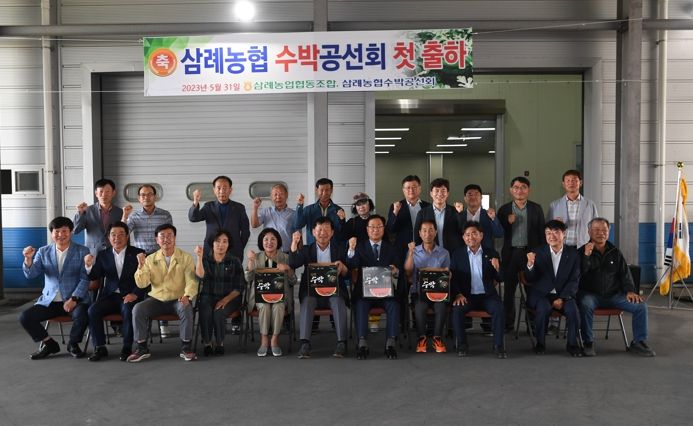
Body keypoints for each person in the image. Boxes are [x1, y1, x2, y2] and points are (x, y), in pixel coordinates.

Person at [578, 218, 655, 357]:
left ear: (609, 231)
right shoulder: (581, 251)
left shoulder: (615, 252)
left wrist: (630, 291)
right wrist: (586, 257)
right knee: (585, 304)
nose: (601, 233)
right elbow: (579, 274)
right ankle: (588, 342)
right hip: (590, 295)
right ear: (589, 232)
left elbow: (625, 275)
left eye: (604, 230)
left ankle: (639, 342)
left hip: (614, 295)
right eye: (596, 230)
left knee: (640, 306)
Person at [19, 216, 91, 360]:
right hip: (50, 301)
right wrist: (28, 259)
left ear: (71, 232)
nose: (60, 235)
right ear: (52, 233)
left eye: (64, 231)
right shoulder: (43, 251)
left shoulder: (82, 251)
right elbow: (31, 274)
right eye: (56, 231)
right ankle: (49, 344)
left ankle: (73, 344)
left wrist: (74, 299)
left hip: (74, 300)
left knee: (83, 315)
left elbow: (85, 278)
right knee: (25, 317)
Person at [128, 224, 199, 362]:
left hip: (178, 298)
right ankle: (141, 347)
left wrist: (187, 296)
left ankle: (186, 347)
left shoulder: (186, 257)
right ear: (157, 240)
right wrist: (141, 266)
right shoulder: (150, 259)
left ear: (175, 238)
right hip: (157, 300)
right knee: (138, 309)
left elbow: (192, 280)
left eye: (169, 236)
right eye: (162, 236)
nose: (166, 239)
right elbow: (142, 284)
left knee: (186, 307)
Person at [84, 221, 145, 361]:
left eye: (121, 234)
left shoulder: (138, 253)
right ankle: (100, 347)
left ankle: (127, 347)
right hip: (110, 295)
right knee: (93, 310)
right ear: (108, 237)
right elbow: (95, 276)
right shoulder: (103, 254)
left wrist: (135, 294)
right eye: (113, 235)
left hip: (130, 294)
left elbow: (145, 279)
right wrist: (88, 266)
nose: (117, 238)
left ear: (127, 236)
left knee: (128, 310)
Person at [289, 217, 349, 359]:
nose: (323, 233)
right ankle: (305, 343)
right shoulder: (306, 250)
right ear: (313, 232)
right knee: (307, 301)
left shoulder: (340, 249)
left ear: (332, 232)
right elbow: (294, 263)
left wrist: (343, 267)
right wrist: (294, 243)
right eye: (319, 230)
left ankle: (342, 342)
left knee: (338, 301)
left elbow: (347, 273)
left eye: (327, 229)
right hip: (312, 292)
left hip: (334, 291)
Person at [524, 220, 582, 356]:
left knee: (573, 311)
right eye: (548, 233)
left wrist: (562, 298)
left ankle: (572, 345)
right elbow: (530, 279)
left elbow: (574, 280)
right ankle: (540, 343)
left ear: (564, 234)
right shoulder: (537, 252)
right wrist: (530, 264)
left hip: (564, 294)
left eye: (556, 232)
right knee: (543, 308)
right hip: (541, 294)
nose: (551, 236)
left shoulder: (573, 254)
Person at [346, 215, 401, 360]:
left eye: (379, 227)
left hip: (385, 293)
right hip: (365, 293)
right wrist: (351, 249)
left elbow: (398, 270)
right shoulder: (359, 247)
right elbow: (352, 265)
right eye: (372, 227)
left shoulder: (391, 248)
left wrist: (396, 271)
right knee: (360, 305)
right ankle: (362, 342)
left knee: (394, 305)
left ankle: (390, 342)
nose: (375, 230)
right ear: (367, 229)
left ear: (383, 229)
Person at [450, 221, 507, 358]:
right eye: (467, 234)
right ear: (463, 237)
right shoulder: (458, 254)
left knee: (499, 309)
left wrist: (498, 268)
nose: (471, 237)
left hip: (487, 296)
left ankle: (498, 346)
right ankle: (462, 345)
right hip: (467, 296)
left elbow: (501, 278)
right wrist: (458, 294)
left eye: (474, 233)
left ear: (481, 235)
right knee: (457, 310)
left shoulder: (491, 253)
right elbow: (453, 278)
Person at [497, 176, 546, 331]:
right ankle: (508, 323)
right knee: (509, 291)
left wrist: (540, 255)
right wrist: (507, 222)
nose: (520, 190)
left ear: (528, 190)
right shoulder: (504, 210)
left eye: (523, 187)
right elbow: (498, 232)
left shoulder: (536, 208)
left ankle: (532, 324)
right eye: (516, 187)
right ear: (511, 190)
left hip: (529, 254)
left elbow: (542, 233)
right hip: (511, 254)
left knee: (531, 289)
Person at [245, 228, 296, 357]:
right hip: (259, 296)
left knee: (278, 306)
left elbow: (293, 281)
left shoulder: (285, 258)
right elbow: (248, 279)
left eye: (273, 239)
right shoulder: (256, 257)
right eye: (266, 239)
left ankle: (274, 340)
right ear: (261, 242)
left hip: (281, 296)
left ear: (278, 241)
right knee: (264, 305)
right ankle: (264, 340)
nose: (269, 242)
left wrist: (288, 269)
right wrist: (250, 261)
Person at [193, 230, 244, 357]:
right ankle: (207, 343)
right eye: (218, 241)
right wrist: (199, 258)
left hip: (230, 298)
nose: (221, 244)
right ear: (212, 243)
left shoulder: (235, 261)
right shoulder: (205, 259)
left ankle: (219, 343)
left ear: (229, 244)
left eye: (224, 241)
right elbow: (199, 277)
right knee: (205, 311)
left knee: (219, 312)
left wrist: (225, 300)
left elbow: (239, 287)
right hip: (208, 296)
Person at [404, 219, 451, 354]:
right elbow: (408, 271)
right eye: (424, 230)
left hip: (438, 292)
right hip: (418, 292)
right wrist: (411, 253)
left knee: (441, 307)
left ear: (435, 232)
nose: (427, 233)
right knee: (420, 307)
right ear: (419, 233)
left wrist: (448, 274)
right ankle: (422, 338)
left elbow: (447, 274)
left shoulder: (444, 253)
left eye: (431, 230)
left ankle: (437, 338)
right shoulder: (414, 251)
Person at [189, 175, 250, 260]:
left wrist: (239, 247)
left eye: (225, 188)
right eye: (218, 188)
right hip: (211, 251)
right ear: (214, 190)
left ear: (230, 190)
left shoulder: (239, 208)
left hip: (233, 253)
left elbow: (245, 231)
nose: (221, 191)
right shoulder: (208, 206)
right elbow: (193, 218)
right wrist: (195, 201)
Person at [548, 169, 599, 249]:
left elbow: (596, 227)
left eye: (574, 180)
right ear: (563, 184)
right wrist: (556, 224)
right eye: (568, 180)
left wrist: (593, 245)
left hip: (583, 247)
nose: (571, 183)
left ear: (580, 183)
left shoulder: (590, 205)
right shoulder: (554, 205)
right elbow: (548, 228)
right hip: (562, 247)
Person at [74, 178, 123, 255]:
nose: (104, 195)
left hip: (113, 252)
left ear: (113, 193)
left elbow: (124, 233)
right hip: (93, 253)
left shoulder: (119, 212)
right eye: (101, 191)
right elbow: (75, 230)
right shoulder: (88, 210)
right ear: (96, 193)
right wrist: (80, 213)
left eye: (107, 191)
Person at [414, 178, 463, 253]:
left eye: (443, 190)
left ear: (447, 193)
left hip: (452, 253)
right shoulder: (422, 213)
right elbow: (417, 236)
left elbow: (463, 231)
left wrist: (460, 213)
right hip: (430, 254)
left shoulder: (455, 211)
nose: (440, 194)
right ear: (431, 193)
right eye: (436, 190)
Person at [387, 175, 430, 258]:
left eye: (414, 187)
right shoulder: (396, 206)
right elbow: (390, 229)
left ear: (420, 188)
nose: (411, 190)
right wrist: (395, 212)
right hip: (403, 250)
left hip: (424, 248)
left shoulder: (427, 206)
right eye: (408, 188)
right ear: (403, 190)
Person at [122, 184, 173, 255]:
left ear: (155, 197)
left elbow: (170, 236)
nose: (146, 197)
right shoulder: (134, 216)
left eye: (150, 194)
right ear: (139, 198)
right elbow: (123, 234)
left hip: (160, 255)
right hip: (141, 256)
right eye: (143, 195)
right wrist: (125, 216)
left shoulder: (165, 215)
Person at [293, 177, 345, 245]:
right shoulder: (308, 209)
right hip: (313, 248)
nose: (324, 193)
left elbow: (342, 232)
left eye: (327, 190)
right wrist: (299, 205)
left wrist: (342, 220)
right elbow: (297, 225)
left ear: (331, 190)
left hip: (333, 248)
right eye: (321, 190)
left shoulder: (338, 210)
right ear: (316, 190)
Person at [251, 183, 295, 252]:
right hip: (269, 252)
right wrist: (255, 207)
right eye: (275, 194)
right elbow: (254, 225)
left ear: (286, 195)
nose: (278, 197)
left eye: (281, 194)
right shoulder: (266, 211)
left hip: (287, 253)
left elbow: (298, 234)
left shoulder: (293, 214)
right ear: (271, 197)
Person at [456, 184, 504, 248]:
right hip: (464, 252)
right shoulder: (459, 216)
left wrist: (493, 218)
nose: (473, 197)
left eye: (476, 194)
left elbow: (499, 234)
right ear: (465, 198)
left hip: (486, 251)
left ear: (481, 197)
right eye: (470, 195)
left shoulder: (489, 215)